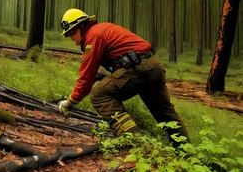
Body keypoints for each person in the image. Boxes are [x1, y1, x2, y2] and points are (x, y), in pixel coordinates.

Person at [58, 8, 190, 144]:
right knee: (165, 113)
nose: (71, 36)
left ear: (82, 25)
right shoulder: (102, 29)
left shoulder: (93, 36)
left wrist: (69, 102)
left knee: (98, 95)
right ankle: (185, 151)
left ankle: (135, 142)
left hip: (138, 69)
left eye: (72, 31)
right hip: (153, 67)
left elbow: (86, 78)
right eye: (68, 34)